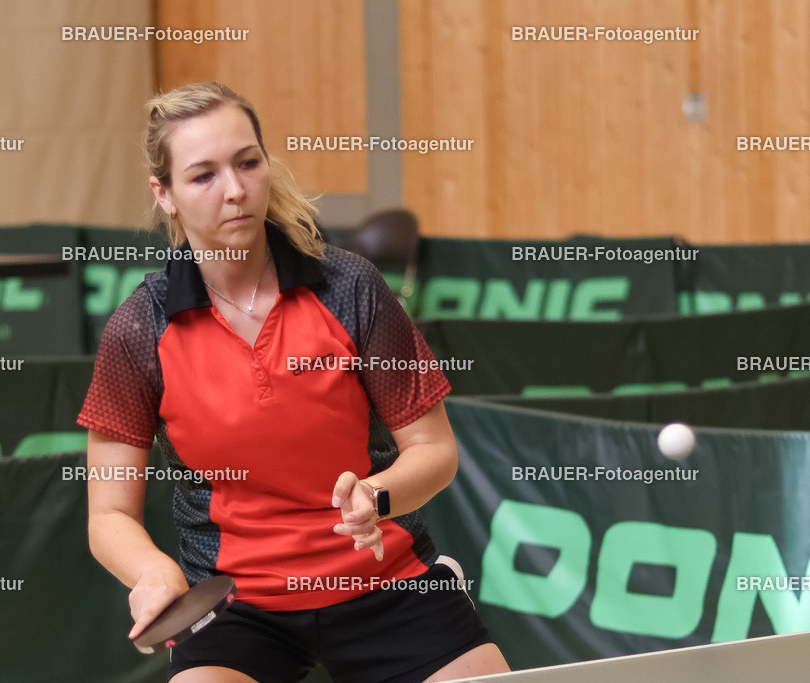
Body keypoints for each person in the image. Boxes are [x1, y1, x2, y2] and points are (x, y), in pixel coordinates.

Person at [78, 81, 509, 682]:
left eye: (248, 163)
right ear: (166, 194)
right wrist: (152, 572)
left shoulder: (350, 288)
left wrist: (377, 498)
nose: (234, 190)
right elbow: (109, 515)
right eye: (202, 175)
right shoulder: (139, 329)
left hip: (385, 580)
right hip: (235, 603)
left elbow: (434, 451)